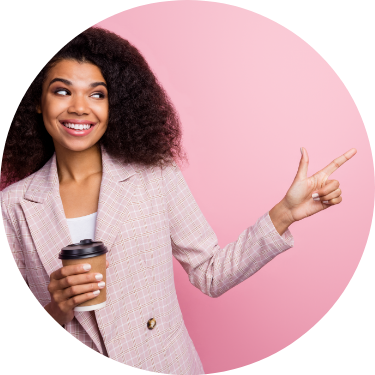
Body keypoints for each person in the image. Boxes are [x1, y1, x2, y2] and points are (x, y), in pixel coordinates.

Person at [0, 27, 356, 374]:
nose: (80, 107)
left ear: (115, 105)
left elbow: (210, 274)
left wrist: (284, 214)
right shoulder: (13, 206)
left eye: (97, 94)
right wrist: (56, 311)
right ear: (37, 100)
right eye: (62, 91)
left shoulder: (153, 175)